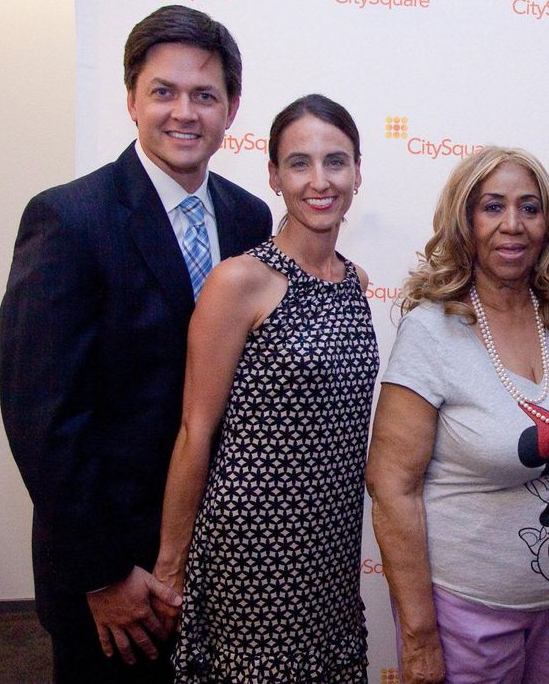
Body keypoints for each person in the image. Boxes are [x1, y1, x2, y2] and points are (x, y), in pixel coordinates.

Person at [0, 5, 271, 684]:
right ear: (131, 100)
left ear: (231, 109)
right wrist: (103, 572)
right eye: (163, 91)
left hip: (225, 558)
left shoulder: (250, 216)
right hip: (115, 576)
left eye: (205, 95)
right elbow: (43, 418)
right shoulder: (68, 218)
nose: (184, 112)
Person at [366, 147, 549, 684]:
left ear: (548, 224)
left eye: (529, 208)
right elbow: (392, 489)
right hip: (468, 614)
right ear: (465, 220)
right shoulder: (431, 330)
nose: (513, 224)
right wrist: (418, 636)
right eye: (493, 207)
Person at [152, 94, 378, 682]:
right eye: (299, 163)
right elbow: (195, 430)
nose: (319, 181)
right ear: (274, 176)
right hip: (252, 550)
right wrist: (171, 568)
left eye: (335, 161)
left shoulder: (355, 283)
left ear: (357, 172)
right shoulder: (240, 281)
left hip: (331, 547)